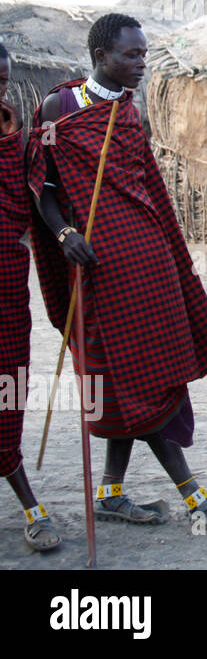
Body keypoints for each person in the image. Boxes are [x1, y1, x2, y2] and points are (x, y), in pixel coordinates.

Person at [26, 14, 207, 532]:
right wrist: (62, 235)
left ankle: (111, 492)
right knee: (130, 376)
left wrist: (171, 255)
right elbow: (42, 185)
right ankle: (196, 499)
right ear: (102, 57)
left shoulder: (131, 113)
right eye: (131, 55)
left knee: (147, 375)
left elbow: (147, 188)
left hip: (148, 265)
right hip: (97, 269)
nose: (141, 63)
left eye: (144, 54)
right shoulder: (61, 108)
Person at [0, 43, 60, 551]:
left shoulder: (12, 135)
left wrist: (8, 144)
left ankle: (23, 491)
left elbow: (27, 203)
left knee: (7, 385)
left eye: (2, 81)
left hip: (4, 286)